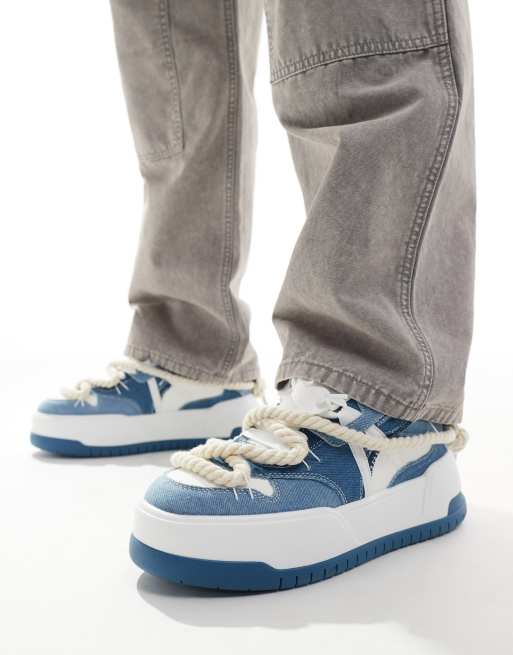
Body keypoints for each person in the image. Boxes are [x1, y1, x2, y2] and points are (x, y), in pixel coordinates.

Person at [31, 0, 474, 591]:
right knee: (171, 39)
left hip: (385, 410)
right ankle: (190, 350)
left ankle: (383, 408)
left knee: (348, 23)